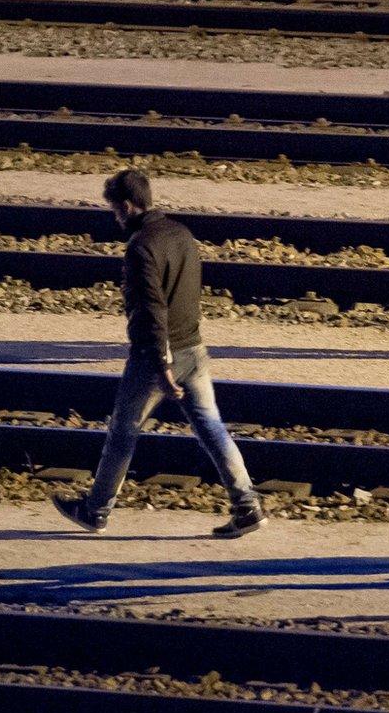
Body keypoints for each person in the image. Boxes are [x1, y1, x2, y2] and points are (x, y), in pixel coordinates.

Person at [51, 169, 266, 538]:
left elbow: (152, 309)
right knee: (211, 428)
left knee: (123, 431)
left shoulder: (140, 247)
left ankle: (95, 511)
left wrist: (161, 362)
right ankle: (247, 507)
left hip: (155, 357)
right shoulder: (181, 234)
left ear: (128, 205)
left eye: (115, 210)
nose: (114, 217)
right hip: (195, 348)